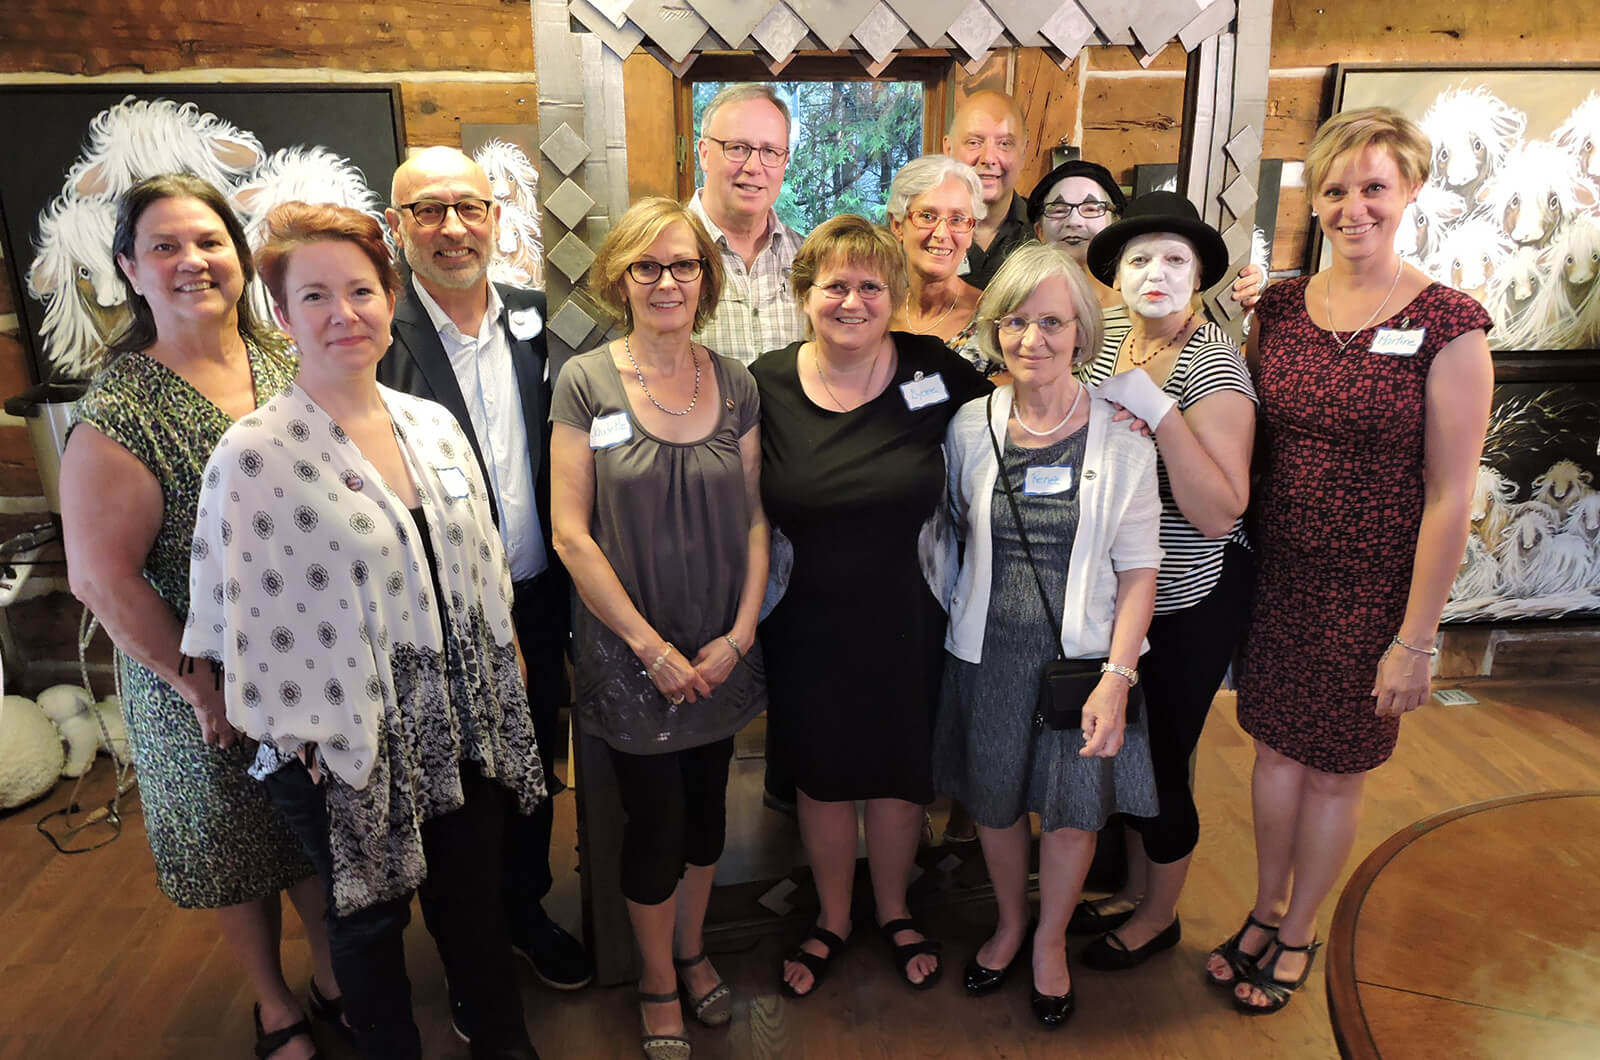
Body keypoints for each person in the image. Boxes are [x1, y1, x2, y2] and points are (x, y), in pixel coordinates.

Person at [182, 201, 547, 1060]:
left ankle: (503, 1041)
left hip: (460, 719)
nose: (342, 314)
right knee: (371, 928)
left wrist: (514, 666)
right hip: (337, 739)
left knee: (472, 901)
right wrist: (293, 733)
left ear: (390, 296)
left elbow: (485, 567)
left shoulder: (433, 425)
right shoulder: (253, 453)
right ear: (281, 314)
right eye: (315, 297)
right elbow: (231, 609)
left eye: (360, 290)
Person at [1206, 107, 1492, 1014]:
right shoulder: (1280, 308)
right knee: (1274, 756)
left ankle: (1298, 931)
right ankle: (1261, 907)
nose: (1353, 206)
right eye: (1335, 189)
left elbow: (1452, 493)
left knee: (1335, 770)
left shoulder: (1450, 324)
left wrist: (1417, 639)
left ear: (1409, 189)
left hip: (1377, 591)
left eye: (1373, 186)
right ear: (1314, 198)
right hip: (1280, 577)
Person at [60, 174, 335, 1060]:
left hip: (313, 652)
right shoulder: (121, 406)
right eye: (166, 247)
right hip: (198, 674)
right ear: (129, 269)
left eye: (210, 241)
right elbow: (101, 578)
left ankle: (338, 978)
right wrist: (199, 687)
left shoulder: (291, 361)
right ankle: (275, 1007)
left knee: (322, 831)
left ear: (241, 254)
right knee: (235, 845)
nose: (193, 262)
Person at [549, 197, 768, 1060]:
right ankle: (653, 978)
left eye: (683, 266)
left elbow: (757, 520)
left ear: (705, 280)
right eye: (648, 266)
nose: (667, 281)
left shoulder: (737, 381)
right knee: (655, 825)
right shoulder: (585, 381)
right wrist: (650, 648)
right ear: (621, 278)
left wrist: (742, 634)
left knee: (711, 815)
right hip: (630, 652)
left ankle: (692, 946)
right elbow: (571, 532)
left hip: (721, 646)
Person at [752, 215, 991, 999]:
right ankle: (830, 915)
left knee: (896, 774)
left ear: (893, 298)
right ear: (804, 294)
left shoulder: (934, 368)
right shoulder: (766, 382)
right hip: (805, 619)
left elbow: (1013, 423)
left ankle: (892, 909)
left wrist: (1112, 415)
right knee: (821, 776)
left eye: (870, 287)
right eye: (835, 286)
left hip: (909, 611)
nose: (852, 301)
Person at [376, 146, 592, 992]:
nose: (452, 228)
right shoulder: (376, 335)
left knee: (535, 766)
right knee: (458, 792)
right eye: (427, 210)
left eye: (469, 207)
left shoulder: (551, 324)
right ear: (398, 228)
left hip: (541, 598)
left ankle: (525, 911)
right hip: (437, 616)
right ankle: (469, 958)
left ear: (498, 220)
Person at [933, 241, 1162, 1028]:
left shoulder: (1123, 433)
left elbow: (1140, 571)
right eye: (1017, 322)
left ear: (1082, 332)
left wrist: (1118, 677)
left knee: (1068, 810)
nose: (1033, 339)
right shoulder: (969, 425)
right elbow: (949, 534)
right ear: (996, 329)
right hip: (986, 654)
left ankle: (1051, 940)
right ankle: (1009, 921)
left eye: (1053, 323)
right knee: (996, 802)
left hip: (1082, 663)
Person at [1061, 192, 1257, 970]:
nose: (1157, 272)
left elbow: (1219, 510)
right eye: (1139, 258)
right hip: (1111, 587)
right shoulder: (1104, 337)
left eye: (1176, 258)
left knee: (1163, 755)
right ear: (1114, 274)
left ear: (1200, 273)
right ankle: (1134, 889)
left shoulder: (1214, 363)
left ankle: (1162, 915)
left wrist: (1162, 414)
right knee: (1113, 746)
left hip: (1187, 593)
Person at [687, 83, 806, 364]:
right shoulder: (660, 254)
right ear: (704, 153)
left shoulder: (810, 258)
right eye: (738, 148)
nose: (754, 167)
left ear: (785, 161)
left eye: (770, 151)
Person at [885, 155, 989, 374]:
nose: (942, 233)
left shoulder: (995, 321)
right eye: (927, 216)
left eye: (957, 219)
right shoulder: (877, 314)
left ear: (971, 231)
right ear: (897, 225)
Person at [943, 91, 1032, 289]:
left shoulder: (1043, 234)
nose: (989, 158)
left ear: (1024, 152)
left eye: (1004, 144)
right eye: (974, 143)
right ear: (948, 149)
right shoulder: (918, 235)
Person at [1027, 159, 1128, 309]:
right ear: (1039, 231)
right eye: (1059, 210)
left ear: (1115, 224)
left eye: (1091, 209)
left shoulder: (1140, 302)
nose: (1073, 222)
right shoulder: (1023, 302)